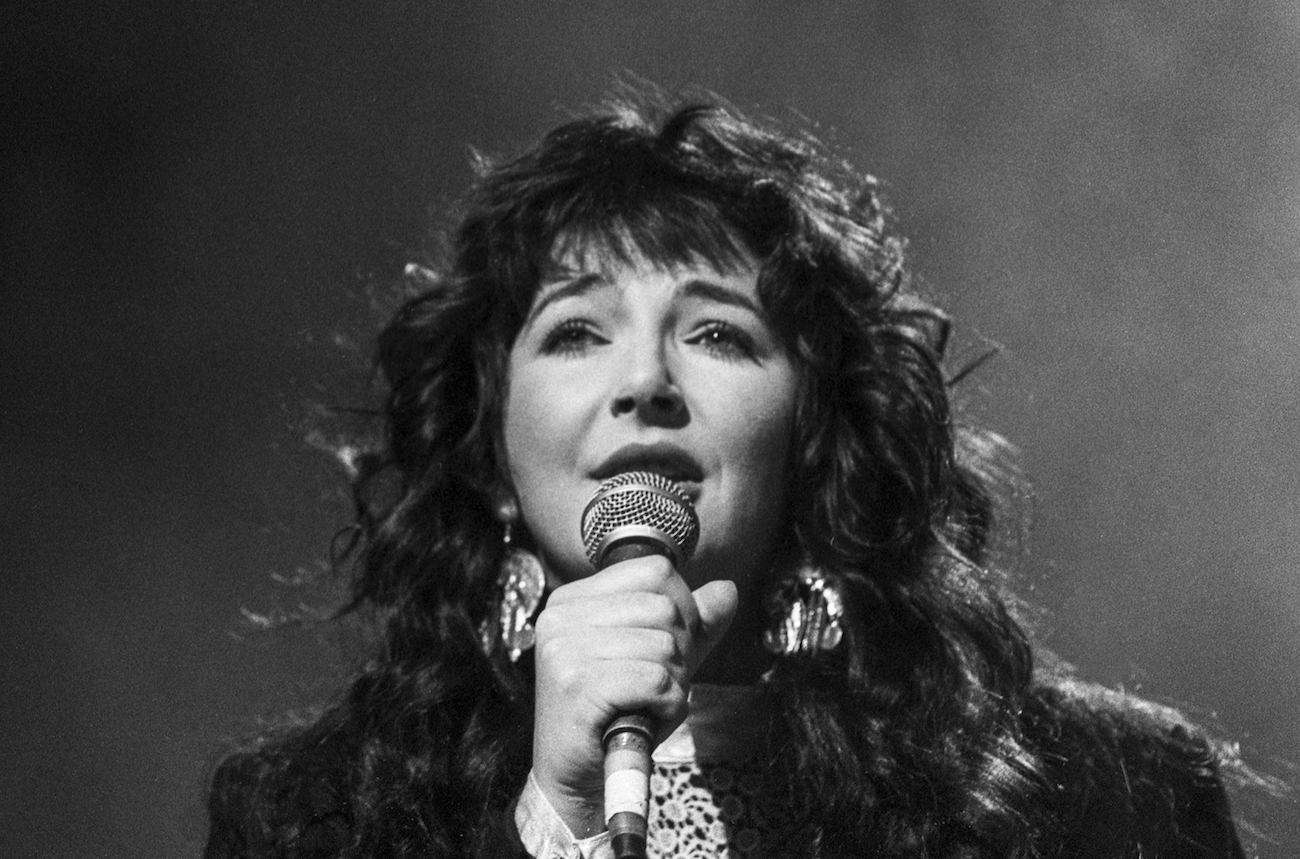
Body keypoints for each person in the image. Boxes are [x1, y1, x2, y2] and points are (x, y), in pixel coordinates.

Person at [205, 90, 1248, 859]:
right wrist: (559, 817)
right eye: (575, 334)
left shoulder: (1112, 800)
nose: (645, 380)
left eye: (715, 331)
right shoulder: (309, 816)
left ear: (814, 430)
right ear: (490, 455)